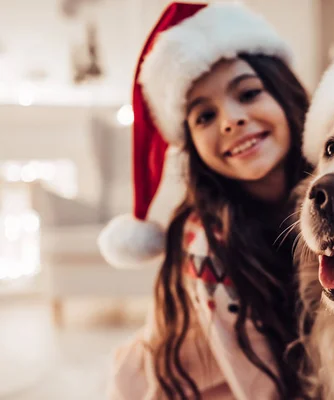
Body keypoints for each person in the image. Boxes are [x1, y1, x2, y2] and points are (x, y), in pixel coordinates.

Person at [97, 2, 311, 399]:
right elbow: (261, 388)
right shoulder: (205, 244)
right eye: (204, 116)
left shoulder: (325, 192)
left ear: (285, 93)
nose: (230, 120)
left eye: (248, 93)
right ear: (192, 146)